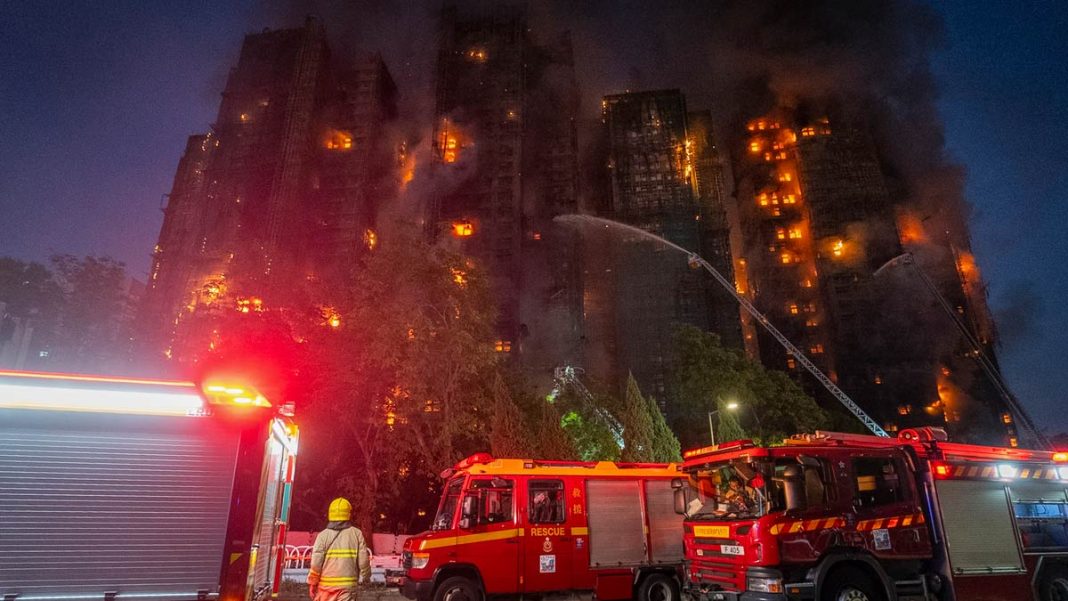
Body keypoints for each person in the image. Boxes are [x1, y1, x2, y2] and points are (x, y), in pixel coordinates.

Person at [308, 497, 372, 601]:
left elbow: (316, 563)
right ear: (348, 514)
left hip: (325, 588)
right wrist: (366, 577)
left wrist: (312, 583)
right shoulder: (356, 534)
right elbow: (363, 561)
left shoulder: (322, 536)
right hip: (347, 587)